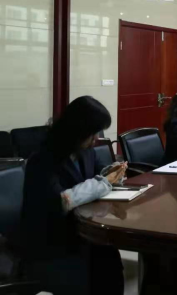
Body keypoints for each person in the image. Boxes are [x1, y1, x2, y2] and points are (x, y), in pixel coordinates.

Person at [21, 96, 127, 295]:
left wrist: (113, 173)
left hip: (81, 230)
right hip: (54, 240)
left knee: (109, 258)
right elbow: (61, 201)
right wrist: (103, 182)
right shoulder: (43, 159)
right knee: (99, 263)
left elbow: (98, 176)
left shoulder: (85, 151)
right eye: (93, 133)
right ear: (78, 130)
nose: (96, 139)